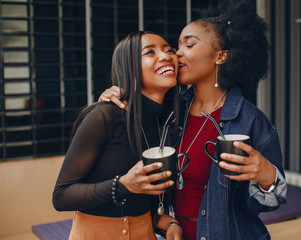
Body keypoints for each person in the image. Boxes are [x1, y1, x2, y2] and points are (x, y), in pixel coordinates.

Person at [98, 0, 287, 239]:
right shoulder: (171, 110)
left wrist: (267, 177)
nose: (176, 54)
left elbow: (269, 203)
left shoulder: (250, 120)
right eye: (177, 46)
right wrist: (113, 95)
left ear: (221, 56)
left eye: (189, 45)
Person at [52, 31, 183, 240]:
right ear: (129, 66)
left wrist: (170, 223)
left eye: (169, 50)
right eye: (150, 52)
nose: (166, 56)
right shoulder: (106, 116)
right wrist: (122, 185)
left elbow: (144, 202)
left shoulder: (168, 123)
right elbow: (61, 196)